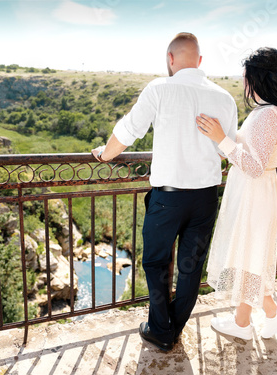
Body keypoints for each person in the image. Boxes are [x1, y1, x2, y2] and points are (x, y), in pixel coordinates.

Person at [92, 32, 237, 351]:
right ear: (199, 61)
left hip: (168, 198)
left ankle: (160, 328)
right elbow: (228, 151)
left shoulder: (160, 88)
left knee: (156, 262)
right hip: (205, 197)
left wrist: (105, 154)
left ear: (170, 59)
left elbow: (128, 131)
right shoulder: (224, 98)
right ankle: (175, 326)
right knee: (190, 265)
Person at [196, 47, 277, 340]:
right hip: (256, 192)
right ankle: (267, 316)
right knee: (249, 257)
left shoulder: (268, 115)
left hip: (255, 193)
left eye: (245, 78)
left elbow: (254, 166)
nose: (244, 85)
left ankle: (248, 322)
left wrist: (221, 140)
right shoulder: (271, 111)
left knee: (248, 256)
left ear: (255, 79)